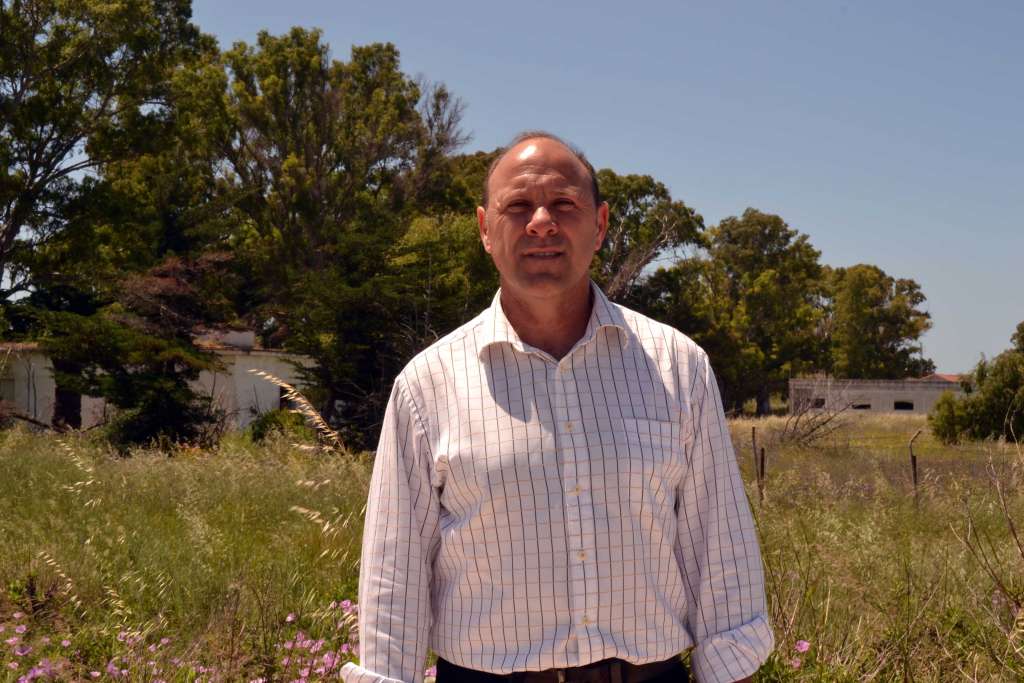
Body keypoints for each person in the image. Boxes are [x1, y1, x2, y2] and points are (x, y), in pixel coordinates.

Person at [341, 132, 774, 683]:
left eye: (564, 204)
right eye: (518, 205)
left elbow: (720, 549)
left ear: (600, 225)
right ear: (485, 229)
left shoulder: (677, 366)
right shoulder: (427, 386)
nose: (541, 222)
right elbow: (394, 575)